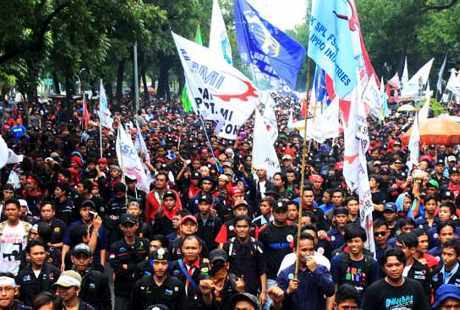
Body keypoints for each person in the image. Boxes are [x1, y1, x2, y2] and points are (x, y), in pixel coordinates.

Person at [267, 232, 335, 310]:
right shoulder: (285, 274)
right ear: (295, 250)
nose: (308, 253)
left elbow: (330, 291)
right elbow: (278, 304)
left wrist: (316, 270)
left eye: (311, 249)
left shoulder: (321, 269)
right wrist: (288, 291)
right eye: (304, 250)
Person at [362, 248, 429, 310]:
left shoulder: (416, 286)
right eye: (389, 265)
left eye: (397, 265)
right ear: (383, 268)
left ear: (404, 265)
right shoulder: (374, 290)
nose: (394, 269)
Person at [259, 200, 295, 309]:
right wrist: (263, 289)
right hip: (272, 278)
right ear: (272, 212)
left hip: (291, 277)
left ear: (287, 212)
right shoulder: (264, 232)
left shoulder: (294, 229)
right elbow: (262, 260)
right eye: (277, 212)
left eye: (283, 211)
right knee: (271, 307)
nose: (280, 214)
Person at [109, 213, 148, 310]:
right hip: (122, 290)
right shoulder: (115, 246)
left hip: (141, 288)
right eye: (125, 226)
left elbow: (147, 264)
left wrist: (127, 267)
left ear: (136, 225)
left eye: (131, 225)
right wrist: (137, 266)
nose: (128, 229)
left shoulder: (145, 243)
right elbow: (116, 266)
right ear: (121, 227)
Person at [331, 224, 379, 298]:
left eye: (357, 241)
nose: (353, 244)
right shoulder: (337, 261)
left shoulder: (372, 263)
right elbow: (334, 287)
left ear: (363, 242)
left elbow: (374, 289)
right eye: (350, 241)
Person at [224, 215, 266, 300]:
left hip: (252, 288)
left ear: (250, 228)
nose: (242, 229)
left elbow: (262, 270)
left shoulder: (257, 245)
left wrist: (263, 292)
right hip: (232, 289)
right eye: (239, 226)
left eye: (245, 226)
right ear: (235, 228)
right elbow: (224, 269)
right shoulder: (228, 245)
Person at [16, 240, 60, 306]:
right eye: (35, 254)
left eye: (42, 253)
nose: (39, 256)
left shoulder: (55, 272)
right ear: (28, 255)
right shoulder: (22, 274)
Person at [70, 243, 111, 310]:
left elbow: (106, 303)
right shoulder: (66, 277)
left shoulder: (100, 278)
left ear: (91, 259)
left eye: (85, 257)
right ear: (72, 259)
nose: (81, 261)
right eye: (78, 257)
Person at [0, 200, 32, 275]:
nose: (10, 212)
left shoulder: (28, 227)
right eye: (8, 209)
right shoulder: (0, 227)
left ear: (19, 210)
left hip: (22, 269)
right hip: (2, 269)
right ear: (4, 211)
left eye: (13, 209)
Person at [395, 232, 431, 297]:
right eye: (396, 246)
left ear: (413, 250)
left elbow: (426, 295)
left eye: (401, 247)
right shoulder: (388, 267)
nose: (397, 250)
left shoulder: (422, 269)